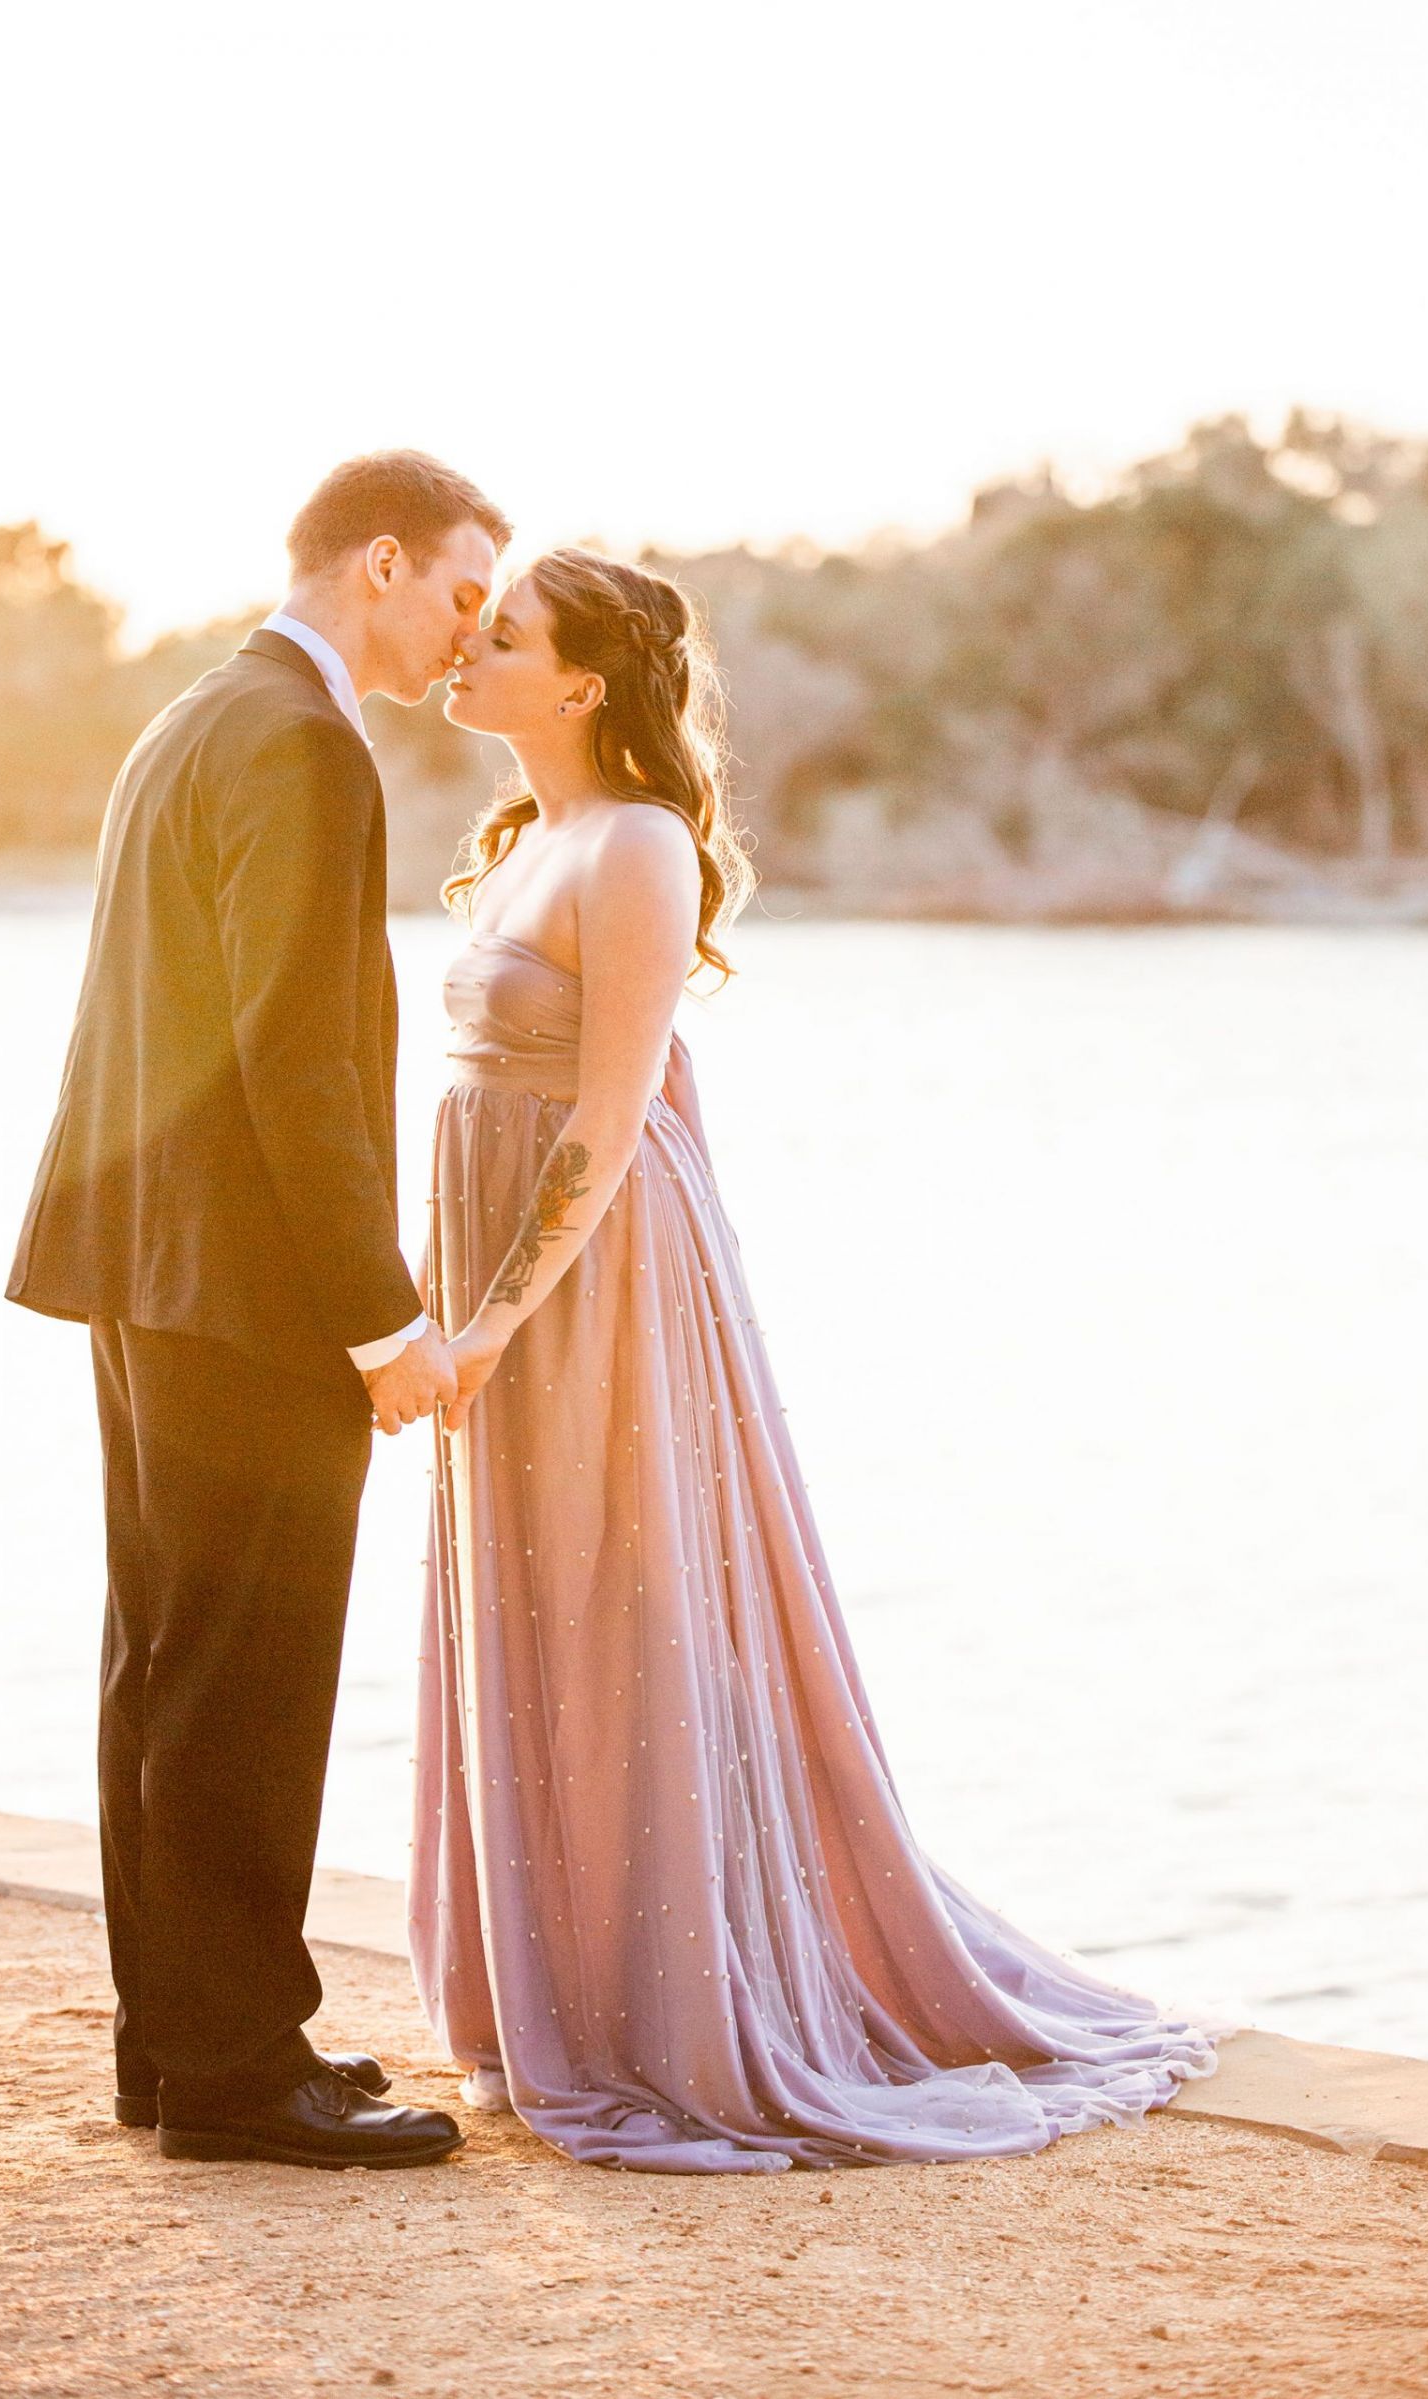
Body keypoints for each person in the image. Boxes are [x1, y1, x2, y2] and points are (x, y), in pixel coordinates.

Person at [409, 549, 1226, 2171]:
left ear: (578, 683)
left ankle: (681, 2007)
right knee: (537, 1600)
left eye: (499, 636)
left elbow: (612, 1108)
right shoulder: (525, 843)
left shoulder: (633, 847)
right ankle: (562, 1988)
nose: (463, 651)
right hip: (499, 1260)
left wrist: (495, 1316)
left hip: (595, 1281)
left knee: (630, 1604)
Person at [7, 451, 511, 2171]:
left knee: (164, 1662)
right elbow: (296, 1063)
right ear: (380, 563)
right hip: (245, 1288)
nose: (468, 634)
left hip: (144, 1272)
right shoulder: (301, 740)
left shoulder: (195, 712)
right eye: (459, 593)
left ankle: (186, 2048)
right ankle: (238, 2074)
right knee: (248, 1679)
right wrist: (385, 1326)